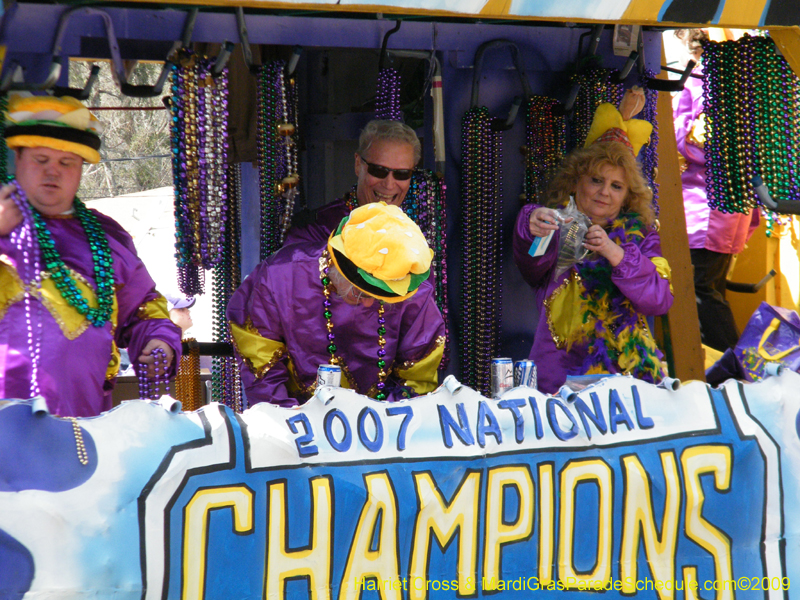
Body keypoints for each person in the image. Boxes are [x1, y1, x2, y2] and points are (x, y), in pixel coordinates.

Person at [0, 94, 182, 417]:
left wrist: (159, 341)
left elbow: (144, 309)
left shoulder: (106, 237)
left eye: (66, 163)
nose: (52, 173)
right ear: (17, 158)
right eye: (41, 160)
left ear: (82, 168)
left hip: (83, 429)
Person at [513, 89, 673, 394]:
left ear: (628, 195)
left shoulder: (644, 237)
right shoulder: (556, 225)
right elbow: (532, 266)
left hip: (630, 384)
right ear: (576, 182)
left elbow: (660, 299)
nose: (604, 192)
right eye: (596, 180)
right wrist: (531, 224)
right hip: (558, 382)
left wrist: (616, 254)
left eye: (616, 186)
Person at [228, 202, 445, 406]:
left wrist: (385, 424)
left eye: (380, 299)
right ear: (334, 265)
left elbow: (417, 379)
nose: (369, 304)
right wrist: (291, 423)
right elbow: (260, 361)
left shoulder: (412, 292)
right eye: (360, 293)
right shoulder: (280, 276)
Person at [673, 28, 759, 352]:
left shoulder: (703, 80)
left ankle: (731, 367)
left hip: (706, 206)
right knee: (713, 288)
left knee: (699, 289)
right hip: (728, 203)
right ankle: (725, 367)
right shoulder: (736, 78)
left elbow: (695, 142)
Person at [284, 119, 420, 247]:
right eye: (378, 171)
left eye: (402, 174)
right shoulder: (316, 231)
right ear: (357, 164)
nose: (389, 184)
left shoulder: (423, 228)